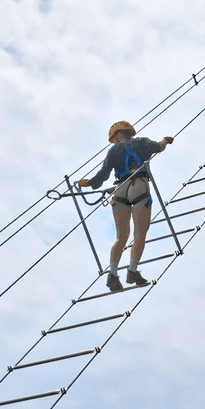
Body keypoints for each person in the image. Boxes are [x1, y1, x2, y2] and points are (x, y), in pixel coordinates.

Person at [78, 121, 174, 291]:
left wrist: (89, 183)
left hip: (120, 190)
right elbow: (159, 147)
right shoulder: (142, 142)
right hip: (139, 186)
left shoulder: (113, 150)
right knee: (139, 233)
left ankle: (113, 275)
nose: (114, 141)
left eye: (114, 138)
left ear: (119, 135)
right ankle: (132, 271)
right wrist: (166, 140)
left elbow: (103, 174)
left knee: (121, 236)